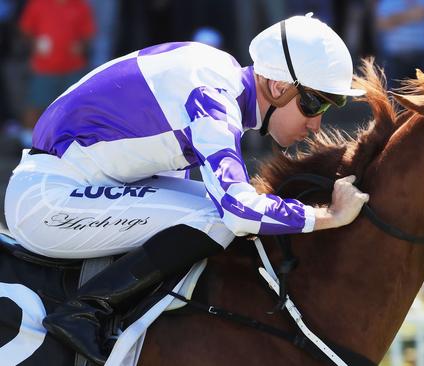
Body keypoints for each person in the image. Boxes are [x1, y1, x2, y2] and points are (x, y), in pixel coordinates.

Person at [3, 14, 369, 364]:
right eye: (314, 103)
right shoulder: (214, 95)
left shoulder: (215, 75)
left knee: (205, 210)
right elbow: (237, 209)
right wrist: (328, 215)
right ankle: (86, 312)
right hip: (46, 201)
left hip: (70, 182)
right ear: (278, 86)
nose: (316, 124)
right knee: (217, 217)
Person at [18, 0, 95, 147]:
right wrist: (35, 43)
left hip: (73, 68)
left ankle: (76, 145)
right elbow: (25, 30)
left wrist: (81, 46)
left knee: (76, 109)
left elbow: (88, 34)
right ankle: (27, 145)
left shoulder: (80, 5)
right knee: (35, 106)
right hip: (44, 67)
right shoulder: (38, 4)